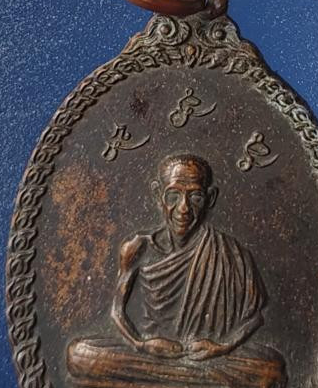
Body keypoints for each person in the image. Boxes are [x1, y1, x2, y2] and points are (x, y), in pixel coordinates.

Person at [111, 153, 266, 360]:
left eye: (195, 197)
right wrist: (141, 344)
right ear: (158, 194)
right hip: (153, 354)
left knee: (271, 369)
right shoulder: (137, 247)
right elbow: (116, 311)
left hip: (206, 356)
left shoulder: (231, 253)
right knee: (79, 354)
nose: (183, 208)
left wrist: (222, 347)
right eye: (173, 195)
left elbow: (254, 318)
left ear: (210, 198)